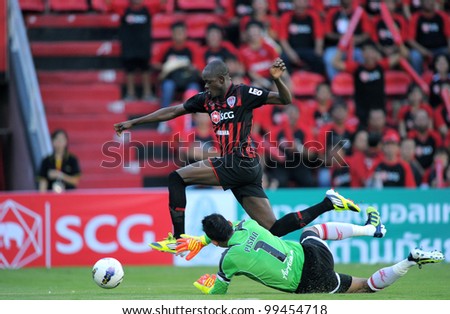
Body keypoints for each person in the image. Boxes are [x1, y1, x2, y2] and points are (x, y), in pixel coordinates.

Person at [114, 58, 360, 254]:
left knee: (177, 178)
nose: (206, 87)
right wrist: (135, 122)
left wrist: (277, 80)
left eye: (209, 83)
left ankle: (178, 240)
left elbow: (285, 99)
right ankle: (328, 203)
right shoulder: (208, 100)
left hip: (239, 161)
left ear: (221, 79)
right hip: (246, 168)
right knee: (273, 229)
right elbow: (173, 111)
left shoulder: (245, 93)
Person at [178, 211, 444, 295]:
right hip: (311, 255)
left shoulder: (229, 260)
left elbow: (219, 292)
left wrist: (204, 286)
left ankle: (409, 261)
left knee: (365, 287)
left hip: (308, 281)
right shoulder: (247, 223)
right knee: (313, 231)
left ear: (215, 241)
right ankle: (370, 230)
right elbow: (231, 227)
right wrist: (204, 240)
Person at [119, 0, 154, 101]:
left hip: (144, 46)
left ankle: (147, 94)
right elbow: (109, 4)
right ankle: (130, 94)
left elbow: (162, 4)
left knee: (145, 70)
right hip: (129, 46)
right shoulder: (124, 9)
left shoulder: (148, 9)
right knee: (129, 70)